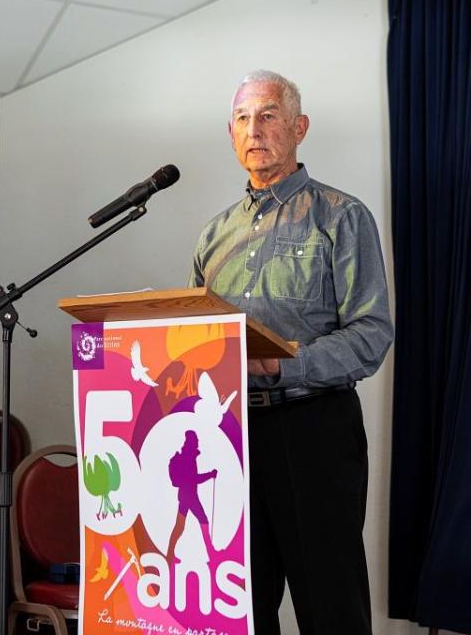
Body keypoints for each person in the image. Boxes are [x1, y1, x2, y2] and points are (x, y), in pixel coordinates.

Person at [188, 70, 393, 634]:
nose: (254, 129)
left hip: (314, 433)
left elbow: (372, 332)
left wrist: (284, 363)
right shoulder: (213, 237)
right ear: (230, 135)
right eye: (242, 119)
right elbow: (193, 335)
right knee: (238, 609)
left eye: (269, 115)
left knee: (330, 605)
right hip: (227, 439)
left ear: (298, 128)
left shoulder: (341, 216)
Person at [166, 430, 218, 563]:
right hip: (188, 497)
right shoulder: (188, 457)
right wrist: (210, 475)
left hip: (188, 496)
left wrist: (209, 475)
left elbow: (192, 479)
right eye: (196, 440)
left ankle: (170, 554)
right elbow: (194, 479)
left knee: (182, 525)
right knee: (192, 523)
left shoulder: (189, 455)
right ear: (192, 441)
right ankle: (210, 554)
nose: (198, 442)